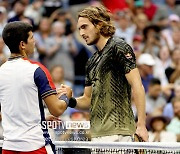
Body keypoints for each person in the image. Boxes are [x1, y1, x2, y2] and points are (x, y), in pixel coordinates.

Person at [60, 5, 148, 142]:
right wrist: (70, 100)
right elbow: (88, 100)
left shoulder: (118, 46)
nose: (81, 33)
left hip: (119, 132)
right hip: (96, 135)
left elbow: (138, 86)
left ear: (99, 24)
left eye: (84, 27)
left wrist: (141, 125)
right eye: (79, 29)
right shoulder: (91, 61)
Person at [0, 21, 72, 154]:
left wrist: (41, 117)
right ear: (22, 44)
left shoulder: (1, 71)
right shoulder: (37, 70)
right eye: (32, 38)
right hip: (35, 146)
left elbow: (6, 112)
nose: (35, 42)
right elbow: (57, 109)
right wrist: (66, 95)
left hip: (9, 147)